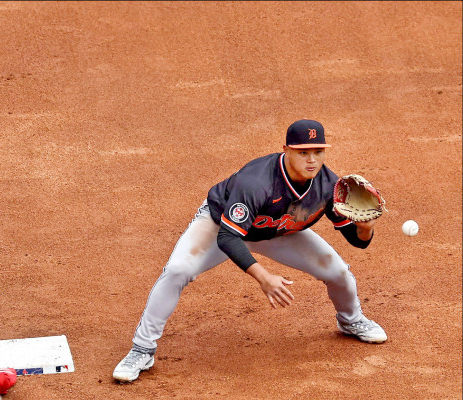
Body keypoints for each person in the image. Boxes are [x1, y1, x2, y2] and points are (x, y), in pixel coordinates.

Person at [113, 119, 387, 383]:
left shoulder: (329, 186)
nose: (312, 160)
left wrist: (365, 228)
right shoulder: (256, 182)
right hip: (220, 225)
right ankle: (142, 349)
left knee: (338, 271)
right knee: (177, 270)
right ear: (286, 150)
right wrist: (264, 277)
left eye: (318, 152)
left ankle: (351, 321)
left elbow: (358, 241)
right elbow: (228, 238)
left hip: (275, 231)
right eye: (303, 152)